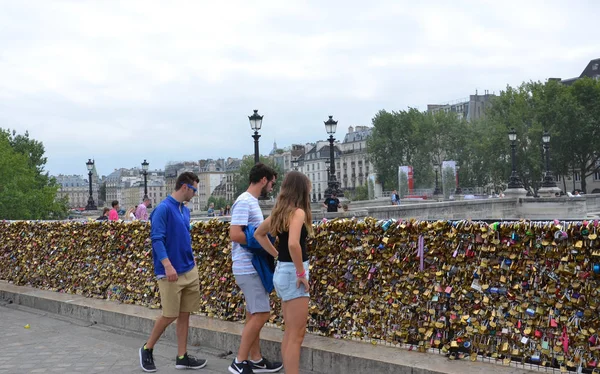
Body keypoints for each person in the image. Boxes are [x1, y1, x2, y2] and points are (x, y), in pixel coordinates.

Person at [139, 172, 207, 372]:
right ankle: (147, 348)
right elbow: (157, 239)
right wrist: (168, 265)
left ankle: (182, 356)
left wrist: (192, 258)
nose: (195, 194)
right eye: (194, 189)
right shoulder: (163, 209)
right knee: (169, 315)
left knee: (185, 314)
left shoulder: (184, 211)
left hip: (189, 269)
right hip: (170, 272)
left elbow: (183, 237)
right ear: (185, 187)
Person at [254, 171, 312, 374]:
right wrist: (300, 274)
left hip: (282, 271)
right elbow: (294, 244)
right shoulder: (298, 213)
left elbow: (258, 234)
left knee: (290, 333)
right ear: (302, 189)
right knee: (297, 335)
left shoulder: (281, 212)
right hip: (293, 274)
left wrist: (277, 255)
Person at [228, 163, 282, 374]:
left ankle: (256, 359)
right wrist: (263, 245)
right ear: (263, 180)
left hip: (249, 266)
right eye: (271, 183)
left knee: (253, 313)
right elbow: (235, 234)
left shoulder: (249, 201)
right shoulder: (244, 202)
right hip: (248, 266)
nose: (272, 187)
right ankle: (239, 362)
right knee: (261, 313)